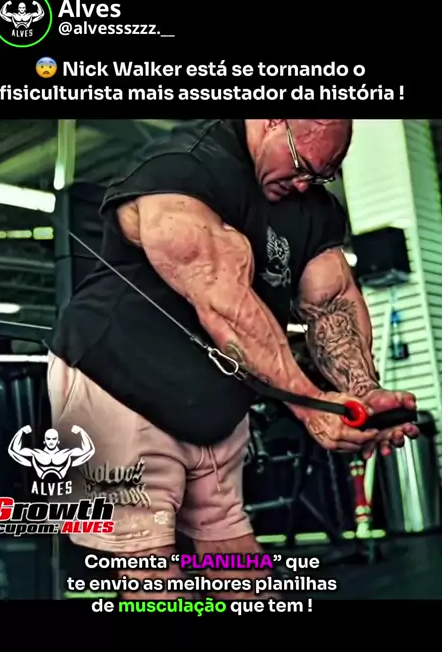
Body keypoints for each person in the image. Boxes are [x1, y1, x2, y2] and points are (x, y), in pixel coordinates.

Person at [47, 119, 418, 600]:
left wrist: (364, 395)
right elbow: (226, 304)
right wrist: (313, 407)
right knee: (150, 567)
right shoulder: (182, 170)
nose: (305, 184)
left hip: (211, 395)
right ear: (272, 120)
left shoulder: (313, 207)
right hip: (118, 379)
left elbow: (331, 304)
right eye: (301, 166)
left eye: (323, 175)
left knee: (231, 548)